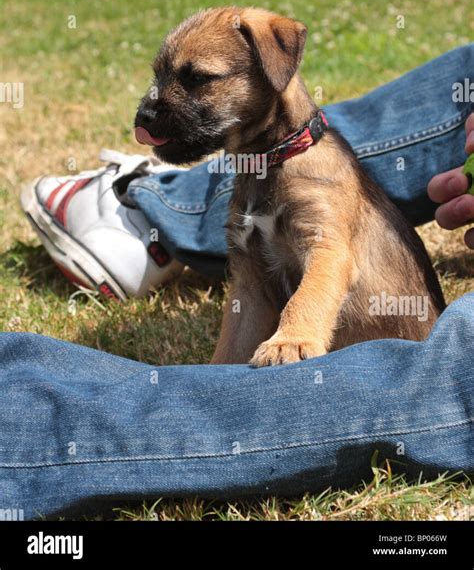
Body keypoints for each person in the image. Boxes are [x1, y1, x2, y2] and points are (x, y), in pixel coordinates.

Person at [2, 46, 473, 520]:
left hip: (389, 361)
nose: (158, 102)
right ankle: (147, 219)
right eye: (162, 80)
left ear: (275, 67)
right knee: (248, 276)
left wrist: (297, 331)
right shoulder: (250, 172)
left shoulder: (320, 170)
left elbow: (332, 258)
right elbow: (250, 288)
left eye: (197, 80)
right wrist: (213, 380)